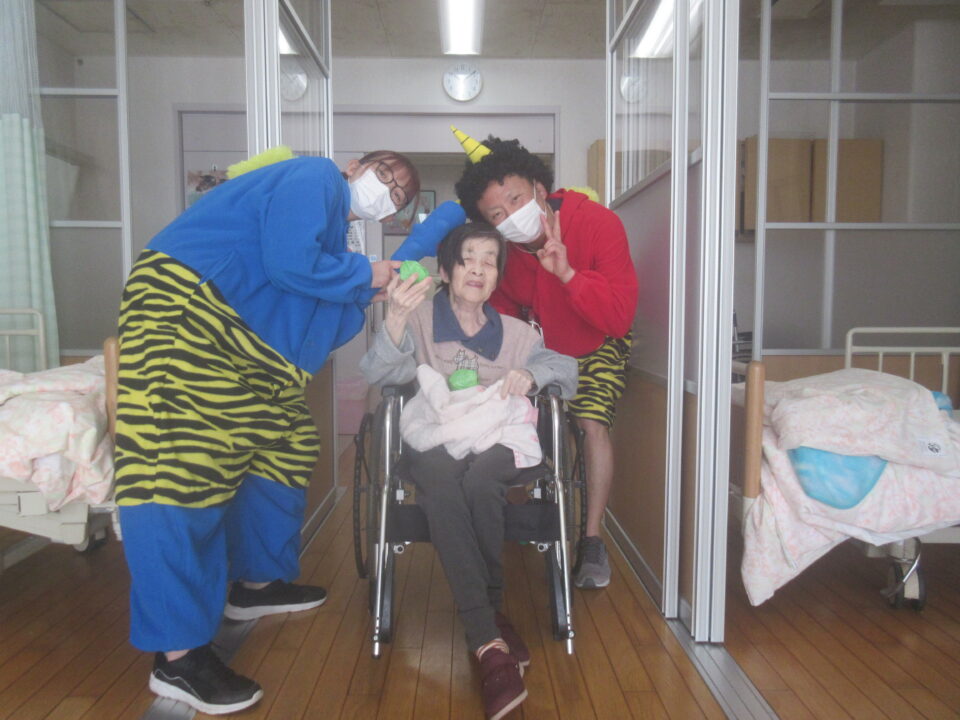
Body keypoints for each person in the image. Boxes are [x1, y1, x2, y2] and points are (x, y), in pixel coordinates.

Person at [114, 148, 433, 715]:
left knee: (286, 446)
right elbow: (290, 263)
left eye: (398, 197)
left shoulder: (338, 245)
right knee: (180, 474)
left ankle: (257, 584)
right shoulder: (315, 176)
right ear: (355, 165)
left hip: (250, 354)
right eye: (385, 175)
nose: (387, 192)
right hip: (191, 315)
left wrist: (372, 291)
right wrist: (365, 276)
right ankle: (177, 656)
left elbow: (321, 316)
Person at [359, 223, 577, 720]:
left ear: (497, 275)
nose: (478, 269)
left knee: (481, 481)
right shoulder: (418, 320)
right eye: (467, 259)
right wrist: (395, 318)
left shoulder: (518, 334)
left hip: (497, 438)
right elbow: (379, 375)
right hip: (436, 436)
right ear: (445, 271)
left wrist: (532, 373)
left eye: (489, 261)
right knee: (440, 481)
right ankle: (488, 634)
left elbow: (567, 371)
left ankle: (487, 626)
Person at [453, 131, 639, 590]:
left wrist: (568, 274)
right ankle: (519, 510)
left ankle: (591, 539)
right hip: (539, 349)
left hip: (598, 339)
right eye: (497, 214)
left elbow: (618, 318)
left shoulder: (597, 222)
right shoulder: (503, 252)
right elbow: (503, 315)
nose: (510, 215)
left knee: (592, 424)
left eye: (516, 200)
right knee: (511, 412)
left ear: (539, 188)